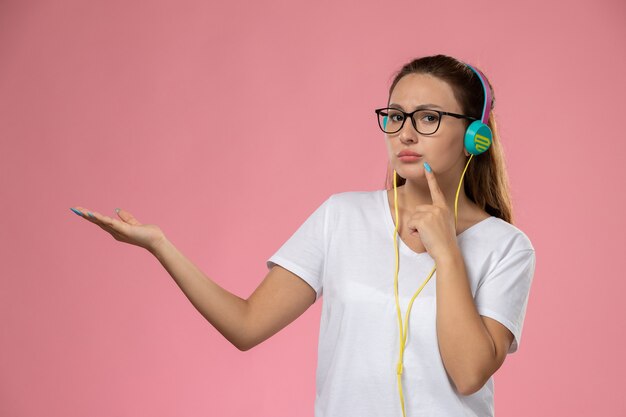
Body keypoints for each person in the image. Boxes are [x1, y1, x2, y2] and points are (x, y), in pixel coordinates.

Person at [70, 54, 536, 417]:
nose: (405, 134)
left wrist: (448, 255)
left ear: (476, 133)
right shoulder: (341, 217)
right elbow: (246, 325)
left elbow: (469, 373)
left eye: (428, 117)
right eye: (395, 116)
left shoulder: (506, 247)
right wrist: (160, 245)